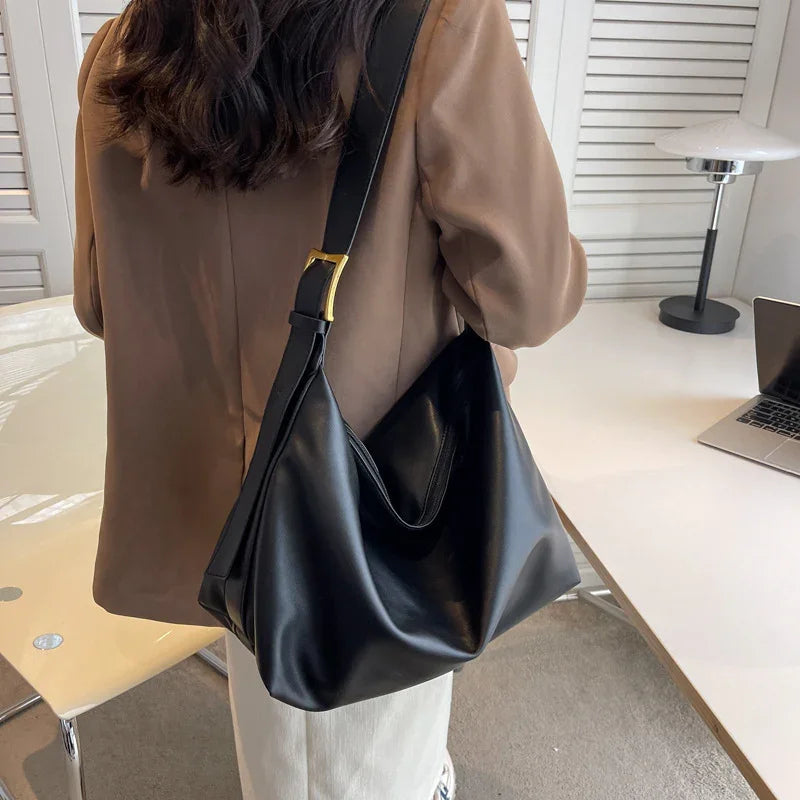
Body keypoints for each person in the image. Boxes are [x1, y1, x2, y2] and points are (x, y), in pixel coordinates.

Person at [73, 0, 587, 796]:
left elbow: (97, 301)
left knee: (284, 738)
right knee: (357, 761)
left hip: (213, 501)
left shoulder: (123, 48)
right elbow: (528, 300)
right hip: (368, 495)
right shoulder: (439, 25)